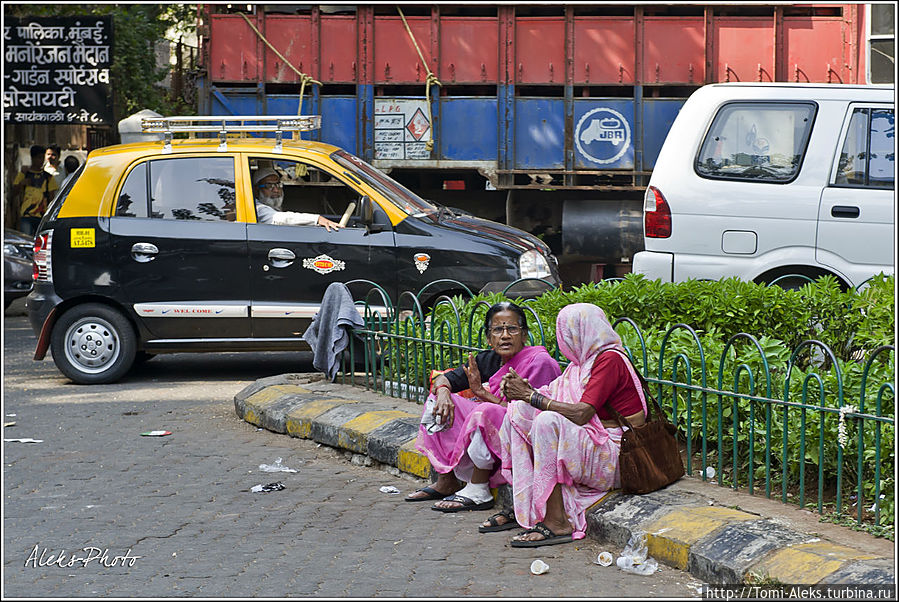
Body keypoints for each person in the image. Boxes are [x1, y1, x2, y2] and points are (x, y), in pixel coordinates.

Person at [499, 303, 648, 547]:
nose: (564, 340)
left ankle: (557, 521)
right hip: (599, 445)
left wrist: (530, 396)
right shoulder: (580, 366)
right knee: (518, 411)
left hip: (621, 456)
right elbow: (553, 394)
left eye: (567, 332)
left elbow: (581, 414)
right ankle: (531, 506)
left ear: (584, 331)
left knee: (546, 421)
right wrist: (523, 393)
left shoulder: (609, 360)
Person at [406, 302, 561, 516]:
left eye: (512, 329)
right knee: (436, 400)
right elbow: (445, 379)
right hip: (493, 430)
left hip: (523, 436)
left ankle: (479, 489)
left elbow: (531, 415)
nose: (505, 336)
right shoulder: (488, 359)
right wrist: (442, 392)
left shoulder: (539, 362)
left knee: (485, 410)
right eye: (498, 330)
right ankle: (447, 480)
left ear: (524, 335)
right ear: (489, 338)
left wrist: (483, 394)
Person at [253, 167, 342, 230]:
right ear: (256, 190)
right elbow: (280, 219)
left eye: (278, 185)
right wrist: (317, 219)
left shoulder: (270, 205)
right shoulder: (257, 208)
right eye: (269, 186)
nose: (276, 190)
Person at [12, 145, 58, 235]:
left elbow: (52, 197)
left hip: (42, 216)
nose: (41, 161)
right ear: (33, 158)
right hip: (26, 215)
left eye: (42, 157)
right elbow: (14, 192)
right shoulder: (24, 174)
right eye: (38, 158)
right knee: (26, 239)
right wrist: (22, 183)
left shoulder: (48, 177)